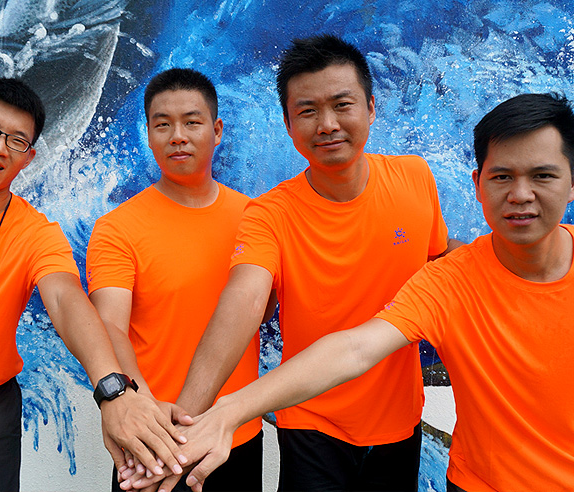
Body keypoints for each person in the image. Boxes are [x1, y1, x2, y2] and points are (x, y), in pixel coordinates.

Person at [151, 92, 574, 492]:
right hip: (455, 475)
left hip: (398, 429)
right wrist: (226, 411)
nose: (521, 195)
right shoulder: (448, 282)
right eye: (502, 177)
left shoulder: (414, 184)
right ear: (478, 184)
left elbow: (439, 244)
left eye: (543, 176)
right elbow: (352, 347)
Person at [148, 35, 461, 492]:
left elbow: (441, 256)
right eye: (308, 111)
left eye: (342, 105)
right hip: (311, 422)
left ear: (371, 108)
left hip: (400, 422)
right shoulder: (269, 213)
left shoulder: (415, 178)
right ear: (289, 124)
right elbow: (244, 300)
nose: (327, 124)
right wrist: (185, 427)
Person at [0, 78, 190, 492]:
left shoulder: (36, 234)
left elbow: (65, 300)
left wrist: (113, 391)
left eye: (16, 140)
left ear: (28, 158)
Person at [86, 68, 263, 492]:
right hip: (152, 440)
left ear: (216, 131)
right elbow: (109, 326)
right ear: (149, 135)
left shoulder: (255, 219)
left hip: (236, 436)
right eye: (163, 125)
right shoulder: (117, 228)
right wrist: (141, 406)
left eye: (192, 122)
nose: (177, 136)